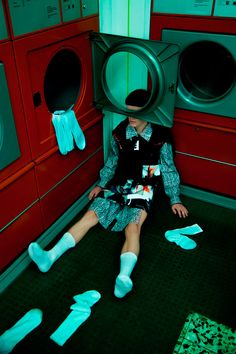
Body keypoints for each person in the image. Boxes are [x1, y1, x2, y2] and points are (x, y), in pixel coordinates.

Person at [28, 89, 188, 299]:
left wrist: (174, 198)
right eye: (128, 112)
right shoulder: (120, 133)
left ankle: (123, 278)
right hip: (119, 183)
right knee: (90, 215)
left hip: (144, 186)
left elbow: (167, 168)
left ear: (148, 112)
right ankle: (49, 256)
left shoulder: (160, 137)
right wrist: (101, 184)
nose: (130, 117)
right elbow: (113, 162)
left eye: (135, 113)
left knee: (133, 227)